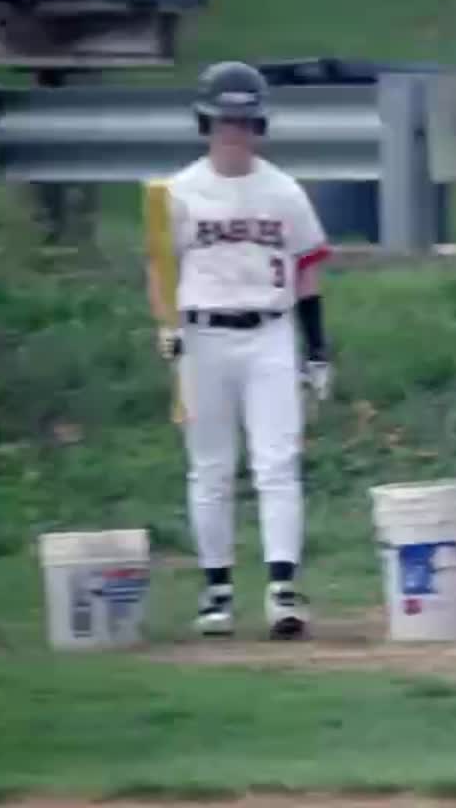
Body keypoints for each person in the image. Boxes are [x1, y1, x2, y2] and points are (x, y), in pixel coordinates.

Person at [151, 61, 334, 639]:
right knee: (210, 467)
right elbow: (159, 267)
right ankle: (217, 590)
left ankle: (282, 588)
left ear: (260, 124)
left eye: (245, 120)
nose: (235, 131)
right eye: (225, 120)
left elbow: (306, 272)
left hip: (269, 331)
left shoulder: (282, 191)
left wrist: (318, 348)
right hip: (202, 334)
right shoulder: (177, 192)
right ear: (206, 121)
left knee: (276, 463)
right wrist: (165, 324)